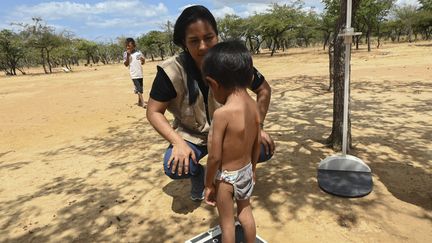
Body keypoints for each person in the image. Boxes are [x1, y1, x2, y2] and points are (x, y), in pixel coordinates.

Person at [146, 5, 275, 201]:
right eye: (194, 41)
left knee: (263, 149)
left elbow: (264, 89)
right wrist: (178, 143)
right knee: (174, 166)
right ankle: (199, 175)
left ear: (217, 35)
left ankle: (223, 177)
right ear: (183, 43)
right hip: (191, 136)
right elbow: (153, 111)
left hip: (229, 132)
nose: (203, 46)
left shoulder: (232, 62)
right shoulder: (170, 71)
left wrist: (258, 126)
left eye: (209, 37)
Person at [203, 41, 259, 243]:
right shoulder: (254, 105)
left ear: (213, 83)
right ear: (250, 77)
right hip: (245, 171)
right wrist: (252, 168)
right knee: (246, 212)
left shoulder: (222, 114)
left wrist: (208, 184)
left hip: (226, 179)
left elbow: (215, 157)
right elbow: (257, 142)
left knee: (227, 224)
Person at [123, 38, 146, 107]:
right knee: (139, 88)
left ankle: (139, 102)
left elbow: (142, 63)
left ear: (134, 45)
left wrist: (142, 60)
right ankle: (143, 103)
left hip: (140, 73)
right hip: (133, 74)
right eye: (126, 46)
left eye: (129, 46)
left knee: (140, 88)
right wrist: (128, 56)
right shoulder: (125, 54)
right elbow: (126, 64)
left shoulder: (138, 53)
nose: (127, 47)